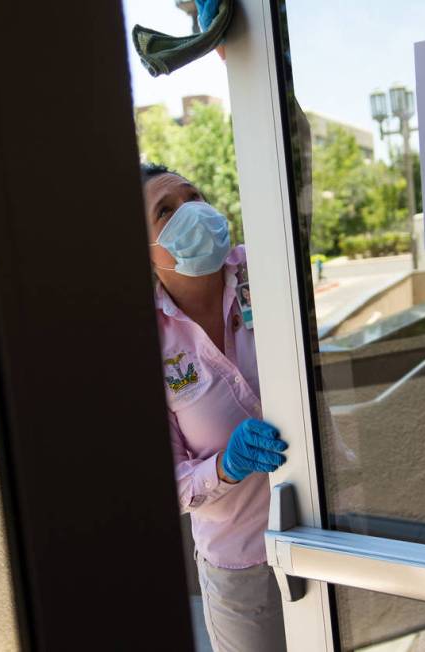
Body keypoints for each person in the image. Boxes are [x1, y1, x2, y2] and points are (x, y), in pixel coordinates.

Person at [141, 162, 289, 652]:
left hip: (322, 523)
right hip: (241, 568)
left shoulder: (265, 270)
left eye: (192, 196)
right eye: (166, 211)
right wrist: (226, 467)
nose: (192, 212)